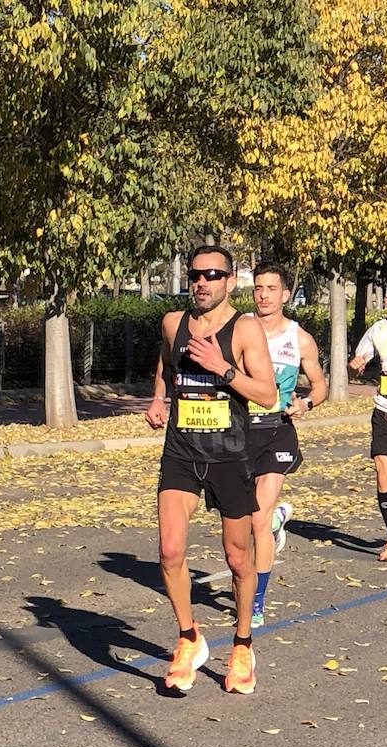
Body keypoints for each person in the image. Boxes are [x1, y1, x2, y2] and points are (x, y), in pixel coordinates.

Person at [144, 245, 276, 694]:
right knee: (169, 550)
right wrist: (159, 397)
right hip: (181, 451)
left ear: (230, 280)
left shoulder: (245, 329)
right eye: (196, 275)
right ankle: (188, 638)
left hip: (229, 453)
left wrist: (223, 369)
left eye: (213, 275)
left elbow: (267, 395)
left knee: (238, 557)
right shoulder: (172, 323)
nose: (202, 283)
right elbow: (165, 363)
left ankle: (242, 645)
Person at [247, 262, 326, 627]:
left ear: (285, 294)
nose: (263, 295)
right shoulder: (239, 329)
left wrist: (305, 403)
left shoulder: (300, 338)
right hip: (239, 432)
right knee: (244, 521)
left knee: (257, 519)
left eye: (271, 289)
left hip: (278, 430)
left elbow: (319, 385)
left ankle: (256, 602)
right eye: (258, 288)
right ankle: (279, 521)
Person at [349, 279, 387, 560]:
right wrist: (355, 366)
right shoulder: (378, 330)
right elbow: (357, 363)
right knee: (383, 473)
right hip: (385, 413)